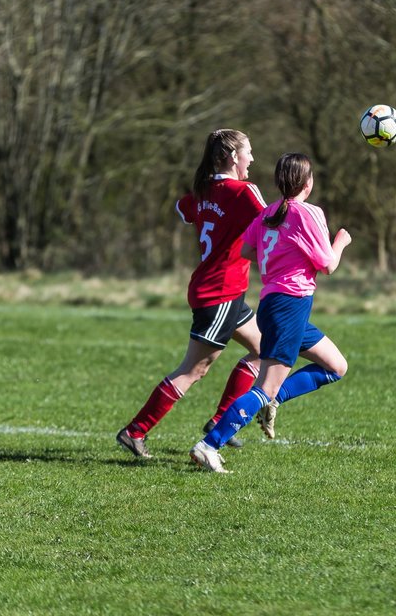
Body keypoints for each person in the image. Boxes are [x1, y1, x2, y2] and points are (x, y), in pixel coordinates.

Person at [190, 152, 351, 474]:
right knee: (264, 387)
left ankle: (274, 400)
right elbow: (329, 264)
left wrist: (283, 253)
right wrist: (341, 242)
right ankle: (209, 445)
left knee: (336, 366)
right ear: (308, 182)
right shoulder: (309, 213)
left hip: (275, 305)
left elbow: (247, 250)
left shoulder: (269, 212)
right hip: (289, 306)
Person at [115, 129, 267, 459]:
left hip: (221, 290)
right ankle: (134, 431)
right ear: (231, 157)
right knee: (193, 370)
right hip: (220, 293)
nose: (252, 159)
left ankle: (219, 423)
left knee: (263, 349)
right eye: (248, 152)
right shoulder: (243, 192)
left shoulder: (203, 190)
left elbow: (182, 209)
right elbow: (272, 219)